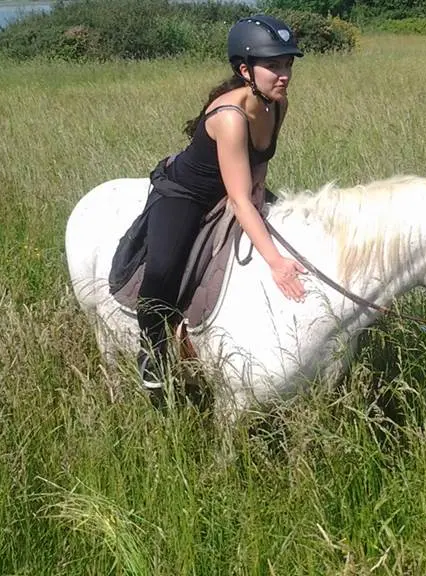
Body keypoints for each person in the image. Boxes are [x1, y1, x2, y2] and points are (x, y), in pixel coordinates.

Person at [136, 14, 308, 397]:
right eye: (272, 66)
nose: (283, 75)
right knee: (162, 273)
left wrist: (262, 195)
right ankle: (151, 352)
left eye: (287, 65)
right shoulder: (229, 117)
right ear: (245, 69)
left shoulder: (277, 104)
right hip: (185, 195)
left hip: (238, 186)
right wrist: (277, 264)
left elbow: (259, 163)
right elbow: (237, 199)